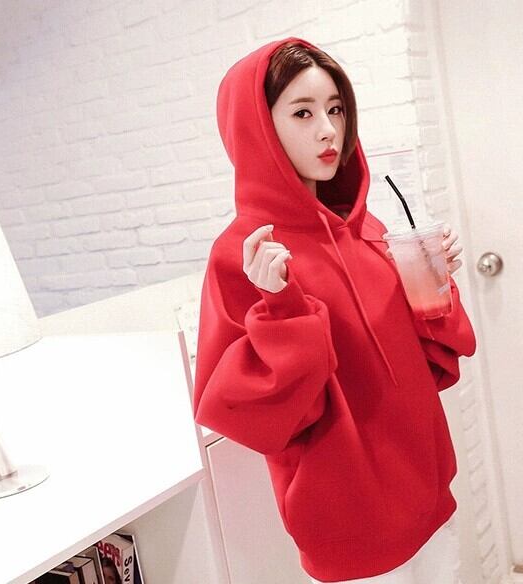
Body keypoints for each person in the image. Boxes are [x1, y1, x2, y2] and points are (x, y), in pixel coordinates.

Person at [192, 36, 476, 584]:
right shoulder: (244, 254)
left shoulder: (368, 229)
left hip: (428, 499)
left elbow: (429, 365)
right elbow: (251, 414)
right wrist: (281, 308)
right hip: (348, 528)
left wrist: (433, 286)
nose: (328, 129)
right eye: (303, 112)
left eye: (336, 109)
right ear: (257, 128)